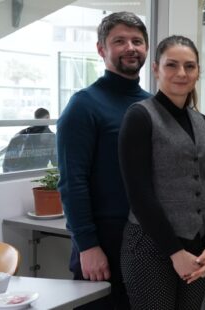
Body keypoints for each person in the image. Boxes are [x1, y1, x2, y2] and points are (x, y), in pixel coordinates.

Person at [118, 35, 205, 309]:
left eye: (189, 66)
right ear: (155, 69)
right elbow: (139, 194)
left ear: (199, 71)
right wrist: (176, 252)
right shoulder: (139, 116)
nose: (181, 73)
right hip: (150, 246)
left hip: (198, 246)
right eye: (171, 65)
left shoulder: (202, 122)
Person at [57, 12, 150, 309]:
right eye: (119, 41)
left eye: (137, 41)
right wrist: (87, 245)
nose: (130, 48)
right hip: (104, 244)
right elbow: (73, 181)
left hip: (148, 240)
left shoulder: (152, 104)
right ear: (101, 49)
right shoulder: (84, 105)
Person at [3, 108, 57, 172]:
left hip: (16, 174)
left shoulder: (20, 134)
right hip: (37, 174)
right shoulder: (50, 136)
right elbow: (56, 161)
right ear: (47, 117)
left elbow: (6, 163)